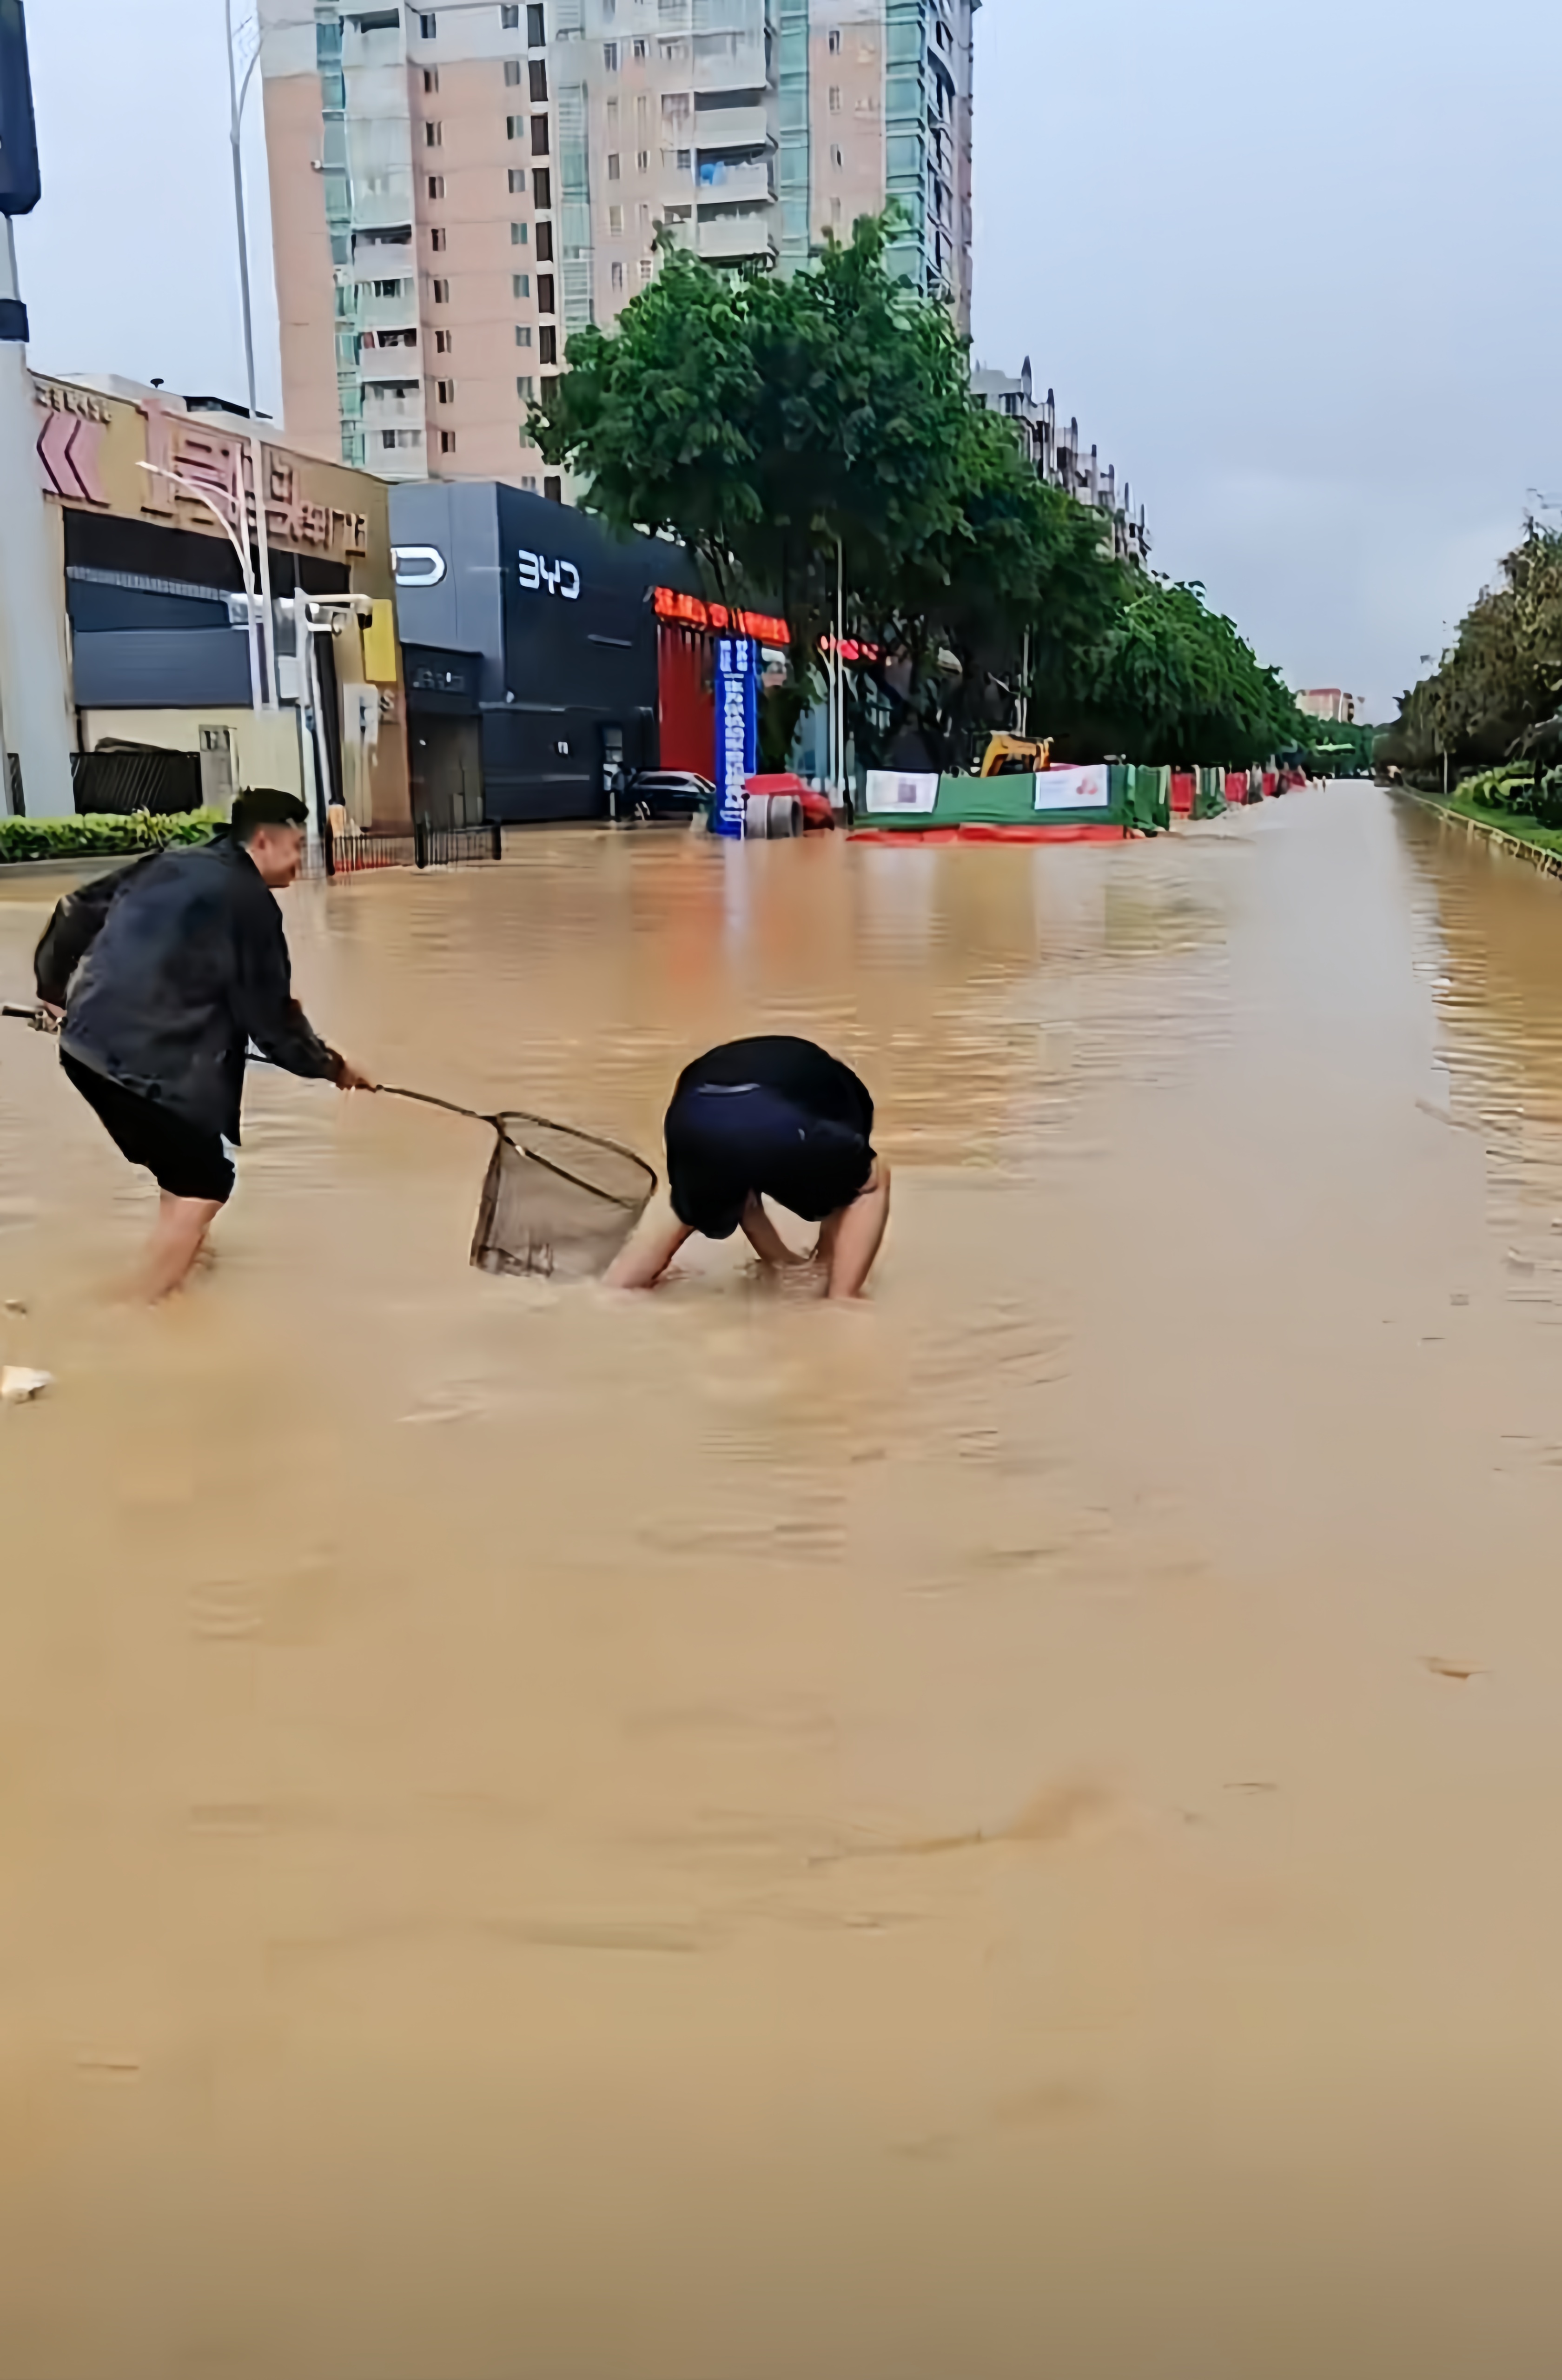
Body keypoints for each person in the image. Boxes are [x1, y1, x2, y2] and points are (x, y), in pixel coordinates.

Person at [35, 788, 374, 1301]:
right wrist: (335, 1067)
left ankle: (186, 1268)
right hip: (140, 1066)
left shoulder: (169, 863)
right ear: (264, 839)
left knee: (184, 1158)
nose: (303, 865)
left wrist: (53, 993)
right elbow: (274, 1025)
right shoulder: (252, 905)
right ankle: (127, 1311)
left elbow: (73, 910)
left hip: (84, 1048)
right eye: (298, 847)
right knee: (206, 1182)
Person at [606, 1035, 890, 1301]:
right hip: (762, 1107)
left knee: (684, 1202)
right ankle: (841, 1303)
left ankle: (617, 1288)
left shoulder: (809, 1080)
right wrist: (826, 1264)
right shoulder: (849, 1107)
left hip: (691, 1112)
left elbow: (742, 1191)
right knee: (872, 1181)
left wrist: (785, 1265)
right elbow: (845, 1192)